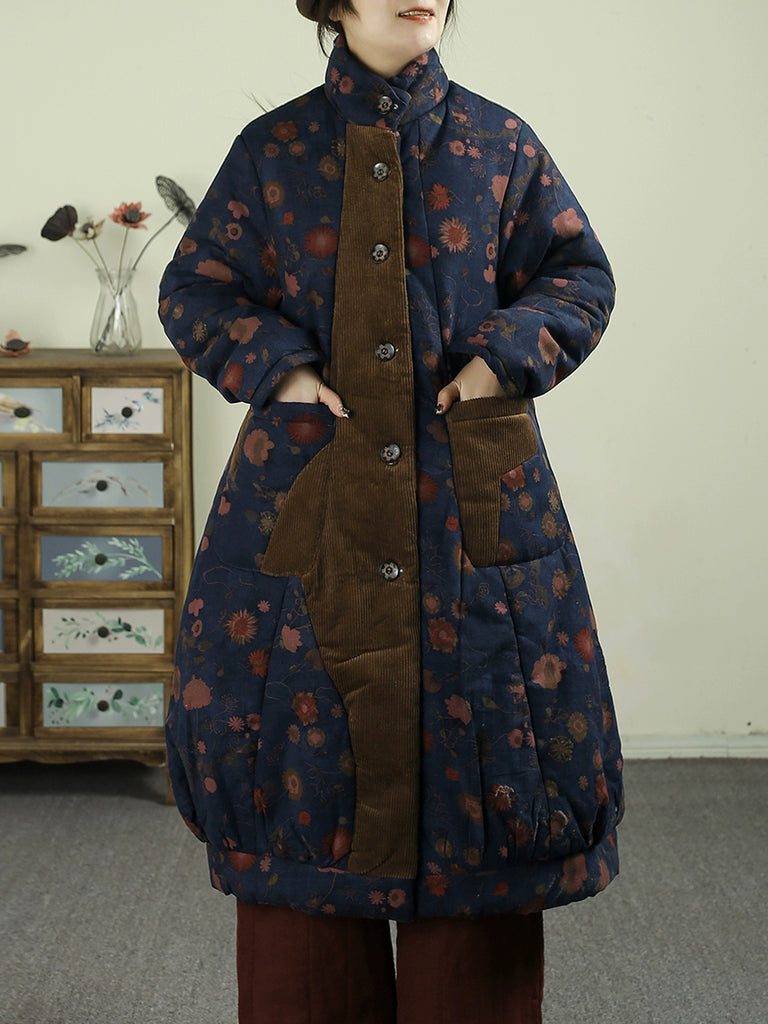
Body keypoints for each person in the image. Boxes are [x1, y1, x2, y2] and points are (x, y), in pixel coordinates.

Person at [158, 1, 624, 1020]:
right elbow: (196, 289)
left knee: (484, 804)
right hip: (309, 505)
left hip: (472, 514)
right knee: (303, 830)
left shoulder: (500, 142)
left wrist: (501, 359)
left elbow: (579, 275)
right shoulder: (274, 148)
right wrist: (279, 370)